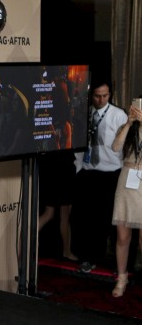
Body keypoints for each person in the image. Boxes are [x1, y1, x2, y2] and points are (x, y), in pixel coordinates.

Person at [72, 80, 128, 273]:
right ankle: (88, 258)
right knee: (88, 219)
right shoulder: (84, 113)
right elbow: (78, 141)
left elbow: (125, 145)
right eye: (97, 96)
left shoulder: (118, 115)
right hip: (89, 172)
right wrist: (78, 167)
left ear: (110, 94)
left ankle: (116, 262)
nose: (101, 99)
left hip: (111, 173)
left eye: (105, 95)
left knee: (111, 219)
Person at [109, 97, 142, 297]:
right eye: (136, 106)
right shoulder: (126, 126)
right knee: (122, 236)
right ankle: (122, 277)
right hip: (126, 182)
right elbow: (115, 147)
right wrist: (129, 123)